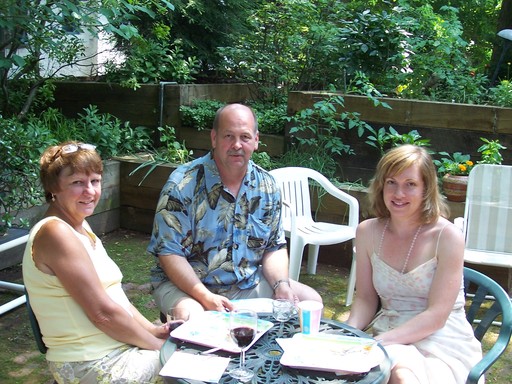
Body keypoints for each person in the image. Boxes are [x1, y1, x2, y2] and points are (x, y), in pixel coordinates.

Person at [147, 103, 322, 317]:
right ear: (214, 138)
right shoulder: (182, 185)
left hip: (245, 285)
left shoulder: (267, 186)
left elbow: (274, 247)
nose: (237, 145)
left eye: (245, 137)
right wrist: (204, 296)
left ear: (256, 141)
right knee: (195, 319)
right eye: (228, 136)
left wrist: (281, 286)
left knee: (310, 303)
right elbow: (169, 254)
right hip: (187, 287)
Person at [22, 141, 169, 384]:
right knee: (195, 368)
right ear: (53, 188)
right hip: (91, 362)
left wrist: (152, 330)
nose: (89, 191)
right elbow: (103, 314)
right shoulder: (56, 234)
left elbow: (112, 297)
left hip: (114, 348)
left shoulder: (80, 226)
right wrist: (157, 347)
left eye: (95, 181)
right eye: (77, 182)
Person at [346, 145, 482, 384]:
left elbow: (437, 316)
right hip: (390, 331)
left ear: (426, 189)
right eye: (391, 182)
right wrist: (348, 334)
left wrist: (379, 342)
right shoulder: (367, 231)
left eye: (410, 184)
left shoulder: (447, 237)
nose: (399, 193)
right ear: (381, 186)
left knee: (401, 376)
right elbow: (366, 299)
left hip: (442, 339)